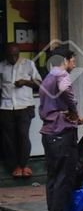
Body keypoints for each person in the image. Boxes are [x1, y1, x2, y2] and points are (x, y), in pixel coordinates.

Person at [39, 49, 83, 211]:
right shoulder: (61, 74)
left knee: (53, 177)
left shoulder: (47, 77)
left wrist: (76, 117)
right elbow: (66, 90)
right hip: (61, 133)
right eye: (73, 60)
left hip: (49, 133)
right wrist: (74, 110)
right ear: (65, 60)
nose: (74, 64)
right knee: (63, 178)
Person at [0, 43, 42, 178]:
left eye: (16, 55)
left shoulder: (28, 64)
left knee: (23, 135)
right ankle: (15, 166)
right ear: (6, 55)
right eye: (10, 55)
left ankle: (24, 164)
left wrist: (25, 82)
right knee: (9, 138)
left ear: (19, 53)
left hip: (25, 106)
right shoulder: (1, 66)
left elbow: (40, 84)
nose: (13, 58)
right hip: (6, 107)